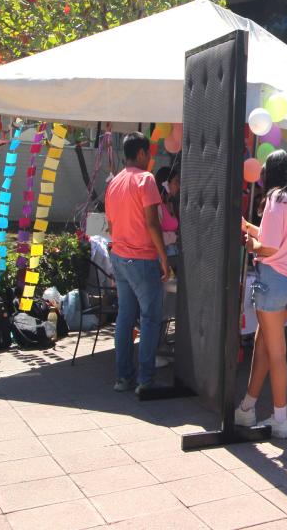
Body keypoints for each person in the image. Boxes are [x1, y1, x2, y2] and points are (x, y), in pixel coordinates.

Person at [235, 150, 287, 438]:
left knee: (276, 354)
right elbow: (277, 239)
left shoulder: (275, 199)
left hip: (273, 283)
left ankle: (280, 420)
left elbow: (268, 247)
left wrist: (251, 244)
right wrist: (251, 230)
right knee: (264, 345)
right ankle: (247, 407)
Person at [105, 132, 169, 394]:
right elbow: (153, 223)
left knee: (125, 318)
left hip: (119, 256)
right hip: (142, 258)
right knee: (150, 319)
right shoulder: (146, 179)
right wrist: (164, 258)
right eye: (149, 153)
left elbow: (110, 224)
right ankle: (145, 380)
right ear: (141, 153)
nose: (151, 158)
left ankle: (123, 378)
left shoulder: (114, 182)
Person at [154, 166, 180, 272]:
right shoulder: (157, 206)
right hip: (162, 259)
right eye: (176, 182)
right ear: (166, 184)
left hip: (174, 256)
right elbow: (155, 235)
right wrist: (175, 237)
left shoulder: (171, 204)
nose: (178, 186)